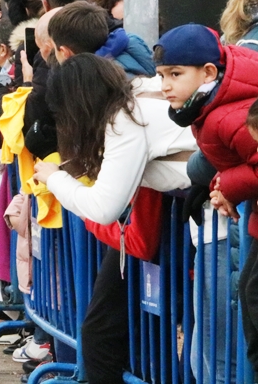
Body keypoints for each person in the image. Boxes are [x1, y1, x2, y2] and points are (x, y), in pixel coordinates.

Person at [32, 53, 194, 384]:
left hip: (210, 223)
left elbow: (103, 207)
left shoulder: (125, 120)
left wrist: (54, 179)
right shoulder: (137, 95)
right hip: (198, 221)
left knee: (204, 356)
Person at [152, 24, 258, 379]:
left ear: (209, 72)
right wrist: (221, 183)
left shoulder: (226, 114)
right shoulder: (214, 103)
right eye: (161, 75)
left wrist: (227, 184)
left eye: (175, 74)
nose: (165, 85)